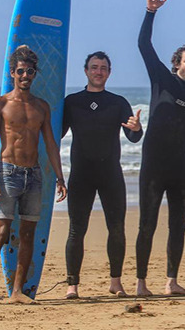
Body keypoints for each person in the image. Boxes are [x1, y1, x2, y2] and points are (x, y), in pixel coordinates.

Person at [0, 45, 67, 305]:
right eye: (20, 71)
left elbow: (50, 143)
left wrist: (60, 177)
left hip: (34, 175)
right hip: (7, 173)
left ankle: (17, 292)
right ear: (12, 73)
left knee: (28, 233)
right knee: (2, 231)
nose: (25, 75)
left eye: (30, 71)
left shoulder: (41, 107)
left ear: (34, 74)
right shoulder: (1, 104)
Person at [136, 0, 185, 296]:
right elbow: (143, 45)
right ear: (178, 62)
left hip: (180, 167)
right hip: (154, 165)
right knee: (147, 224)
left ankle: (172, 282)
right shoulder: (162, 79)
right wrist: (151, 13)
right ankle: (140, 283)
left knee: (179, 225)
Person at [62, 51, 143, 299]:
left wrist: (137, 128)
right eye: (94, 67)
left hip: (110, 175)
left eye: (103, 68)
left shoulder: (118, 102)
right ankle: (72, 286)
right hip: (81, 175)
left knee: (116, 228)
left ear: (109, 72)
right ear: (86, 71)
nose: (99, 72)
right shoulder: (72, 101)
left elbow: (134, 137)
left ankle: (116, 282)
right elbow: (56, 134)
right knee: (77, 230)